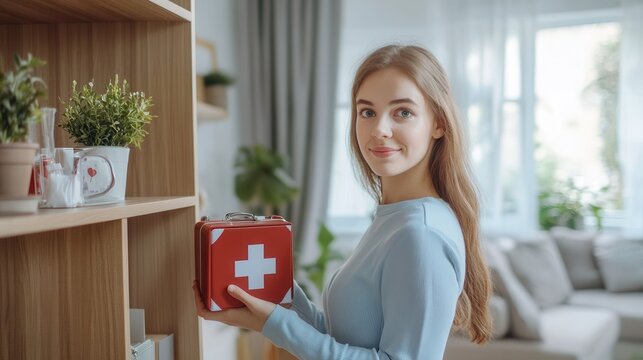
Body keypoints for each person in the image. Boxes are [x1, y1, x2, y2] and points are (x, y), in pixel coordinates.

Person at [193, 44, 492, 360]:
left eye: (403, 112)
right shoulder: (394, 218)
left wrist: (275, 324)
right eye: (367, 112)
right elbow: (342, 335)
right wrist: (276, 294)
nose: (379, 129)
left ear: (438, 123)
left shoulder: (421, 233)